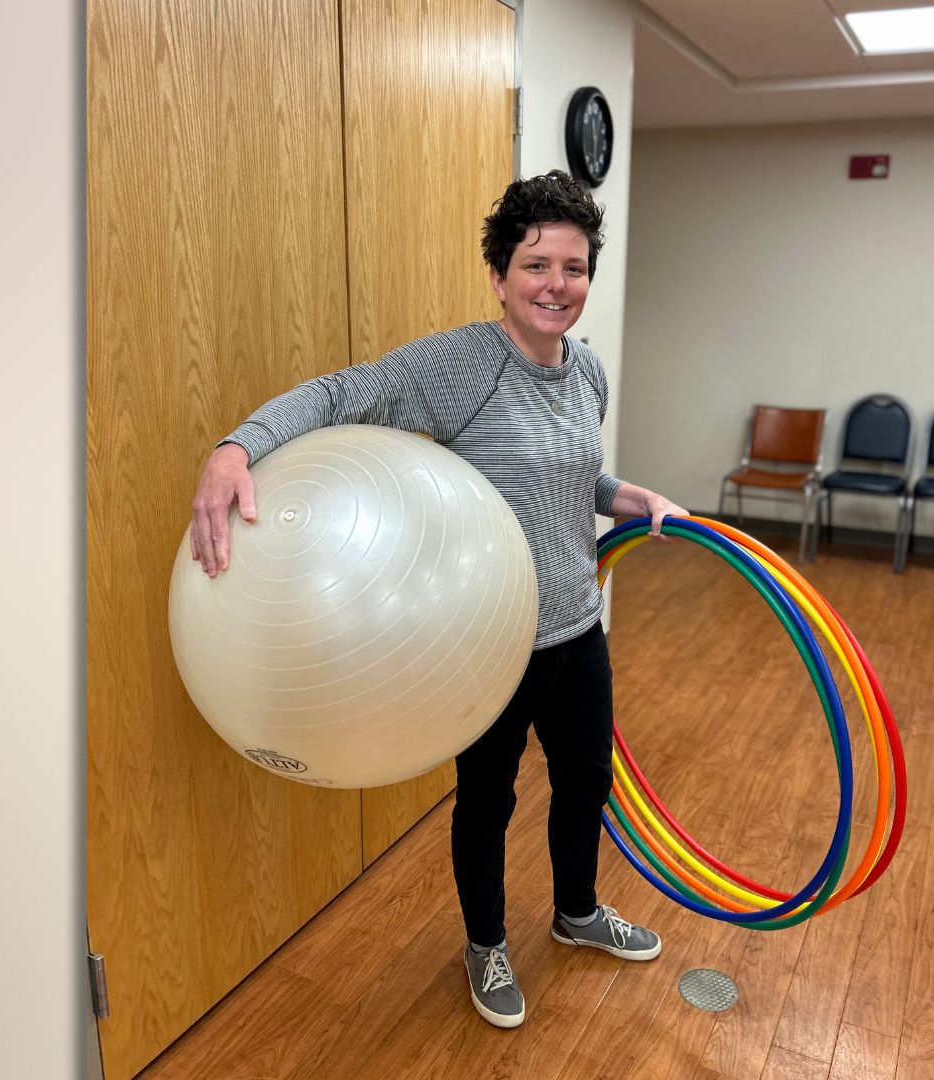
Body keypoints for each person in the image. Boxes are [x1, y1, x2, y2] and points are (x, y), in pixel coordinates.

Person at [187, 171, 686, 1030]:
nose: (555, 285)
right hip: (486, 644)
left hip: (576, 630)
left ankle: (575, 914)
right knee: (487, 802)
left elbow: (564, 478)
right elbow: (342, 394)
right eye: (536, 265)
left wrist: (622, 495)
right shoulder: (463, 365)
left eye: (574, 267)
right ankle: (485, 944)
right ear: (499, 275)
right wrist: (237, 449)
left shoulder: (588, 373)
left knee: (586, 784)